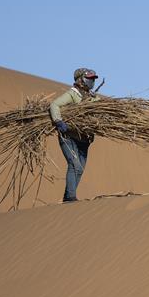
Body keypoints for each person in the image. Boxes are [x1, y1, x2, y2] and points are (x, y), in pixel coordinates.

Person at [49, 68, 100, 202]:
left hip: (84, 139)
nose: (92, 81)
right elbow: (54, 105)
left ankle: (68, 196)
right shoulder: (73, 94)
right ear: (80, 79)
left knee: (80, 169)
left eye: (93, 79)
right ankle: (70, 197)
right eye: (89, 79)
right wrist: (58, 121)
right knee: (74, 165)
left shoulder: (92, 96)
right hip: (69, 136)